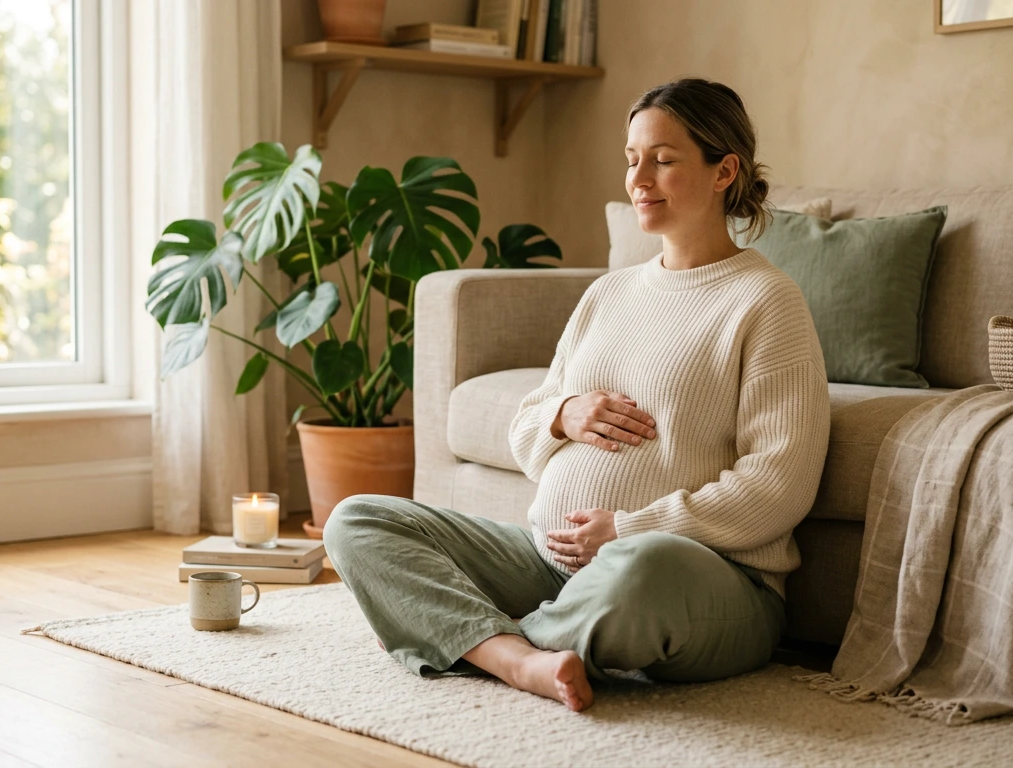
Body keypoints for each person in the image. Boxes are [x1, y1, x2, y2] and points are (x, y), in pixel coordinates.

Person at [323, 77, 830, 712]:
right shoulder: (609, 294)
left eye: (664, 160)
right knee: (358, 521)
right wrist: (563, 415)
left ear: (724, 169)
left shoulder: (765, 302)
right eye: (631, 158)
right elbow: (527, 428)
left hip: (699, 579)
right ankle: (520, 658)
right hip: (548, 563)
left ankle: (457, 633)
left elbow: (780, 483)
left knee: (643, 570)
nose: (638, 178)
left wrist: (628, 528)